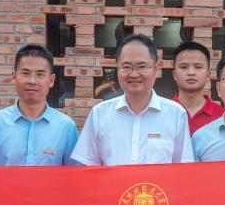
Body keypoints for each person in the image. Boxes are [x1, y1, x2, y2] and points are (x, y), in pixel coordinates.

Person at [71, 34, 193, 165]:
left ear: (156, 69)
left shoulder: (176, 115)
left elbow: (183, 169)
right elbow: (86, 168)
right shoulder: (99, 114)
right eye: (126, 67)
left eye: (142, 66)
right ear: (117, 68)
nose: (134, 74)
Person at [0, 44, 78, 166]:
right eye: (26, 73)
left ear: (51, 80)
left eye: (40, 74)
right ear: (14, 76)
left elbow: (75, 175)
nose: (32, 81)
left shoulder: (66, 127)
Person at [171, 41, 223, 134]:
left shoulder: (223, 116)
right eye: (184, 67)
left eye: (198, 67)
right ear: (174, 75)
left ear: (208, 75)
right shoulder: (163, 113)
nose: (191, 72)